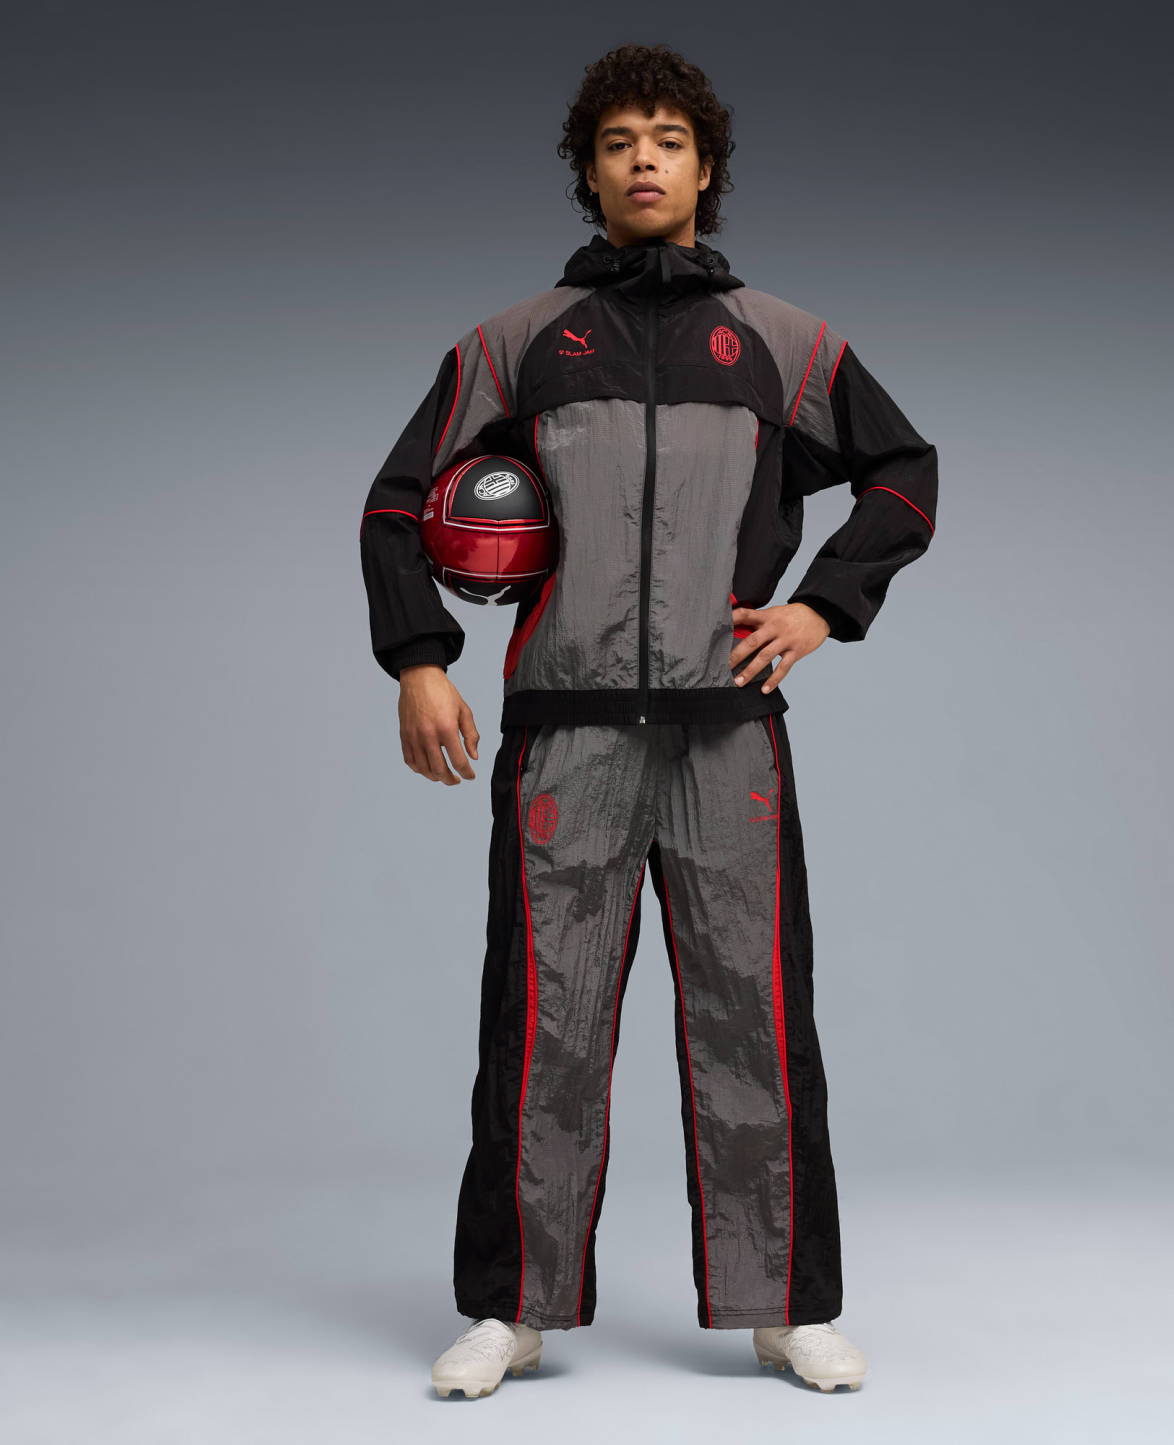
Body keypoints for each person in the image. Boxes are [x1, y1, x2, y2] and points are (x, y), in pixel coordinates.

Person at [360, 43, 937, 1399]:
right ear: (588, 169)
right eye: (619, 140)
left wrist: (822, 608)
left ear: (704, 166)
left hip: (727, 730)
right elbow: (394, 502)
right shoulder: (517, 342)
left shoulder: (781, 342)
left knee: (755, 1015)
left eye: (668, 139)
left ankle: (785, 1304)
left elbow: (903, 474)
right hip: (563, 732)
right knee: (541, 1022)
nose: (643, 160)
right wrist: (420, 660)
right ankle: (510, 1308)